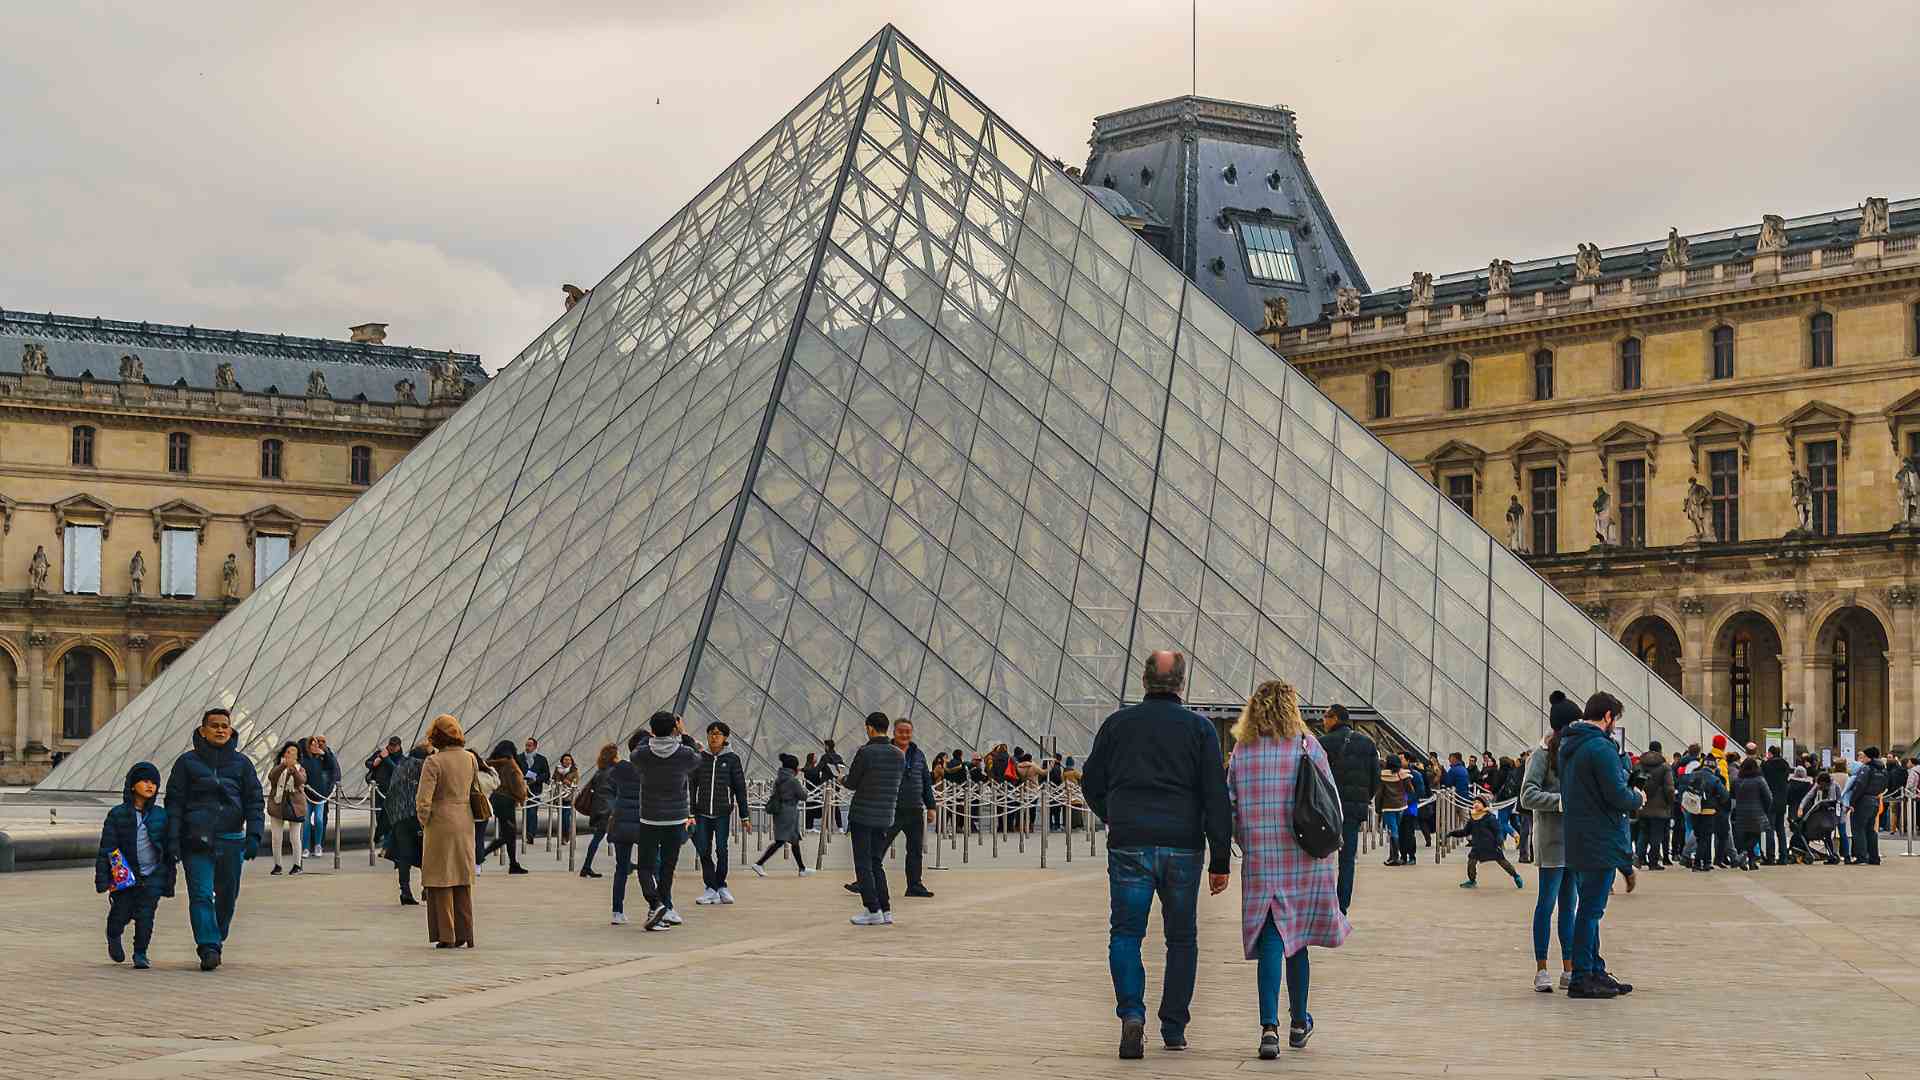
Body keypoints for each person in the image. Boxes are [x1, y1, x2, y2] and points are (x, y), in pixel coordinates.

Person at [1080, 650, 1232, 1060]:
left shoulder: (1117, 724)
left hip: (1130, 841)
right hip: (1183, 844)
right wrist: (1221, 859)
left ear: (1144, 681)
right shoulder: (1200, 730)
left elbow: (1091, 782)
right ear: (1181, 683)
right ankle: (1174, 1026)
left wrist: (1114, 815)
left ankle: (1132, 1014)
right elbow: (1216, 797)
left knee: (1126, 933)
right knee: (1182, 938)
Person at [1227, 679, 1349, 1060]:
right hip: (1303, 857)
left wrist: (1247, 841)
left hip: (1263, 859)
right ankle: (1299, 1021)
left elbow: (1230, 809)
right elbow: (1331, 804)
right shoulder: (1306, 746)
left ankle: (1268, 1029)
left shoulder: (1242, 752)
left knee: (1270, 938)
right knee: (1296, 939)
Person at [164, 708, 264, 972]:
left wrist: (254, 834)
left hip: (231, 838)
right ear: (202, 730)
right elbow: (174, 803)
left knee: (227, 897)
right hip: (195, 840)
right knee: (200, 895)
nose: (221, 730)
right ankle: (208, 946)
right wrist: (173, 839)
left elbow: (254, 801)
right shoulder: (186, 763)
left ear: (231, 731)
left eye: (225, 726)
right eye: (215, 725)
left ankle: (216, 935)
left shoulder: (243, 764)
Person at [1556, 691, 1642, 1000]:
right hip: (1600, 838)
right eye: (1614, 719)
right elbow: (1617, 795)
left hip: (1579, 837)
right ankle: (1582, 976)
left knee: (1589, 907)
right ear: (1607, 716)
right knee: (1591, 911)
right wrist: (1637, 798)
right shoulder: (1600, 748)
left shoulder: (1570, 745)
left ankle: (1594, 969)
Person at [614, 711, 701, 931]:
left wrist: (651, 736)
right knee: (667, 867)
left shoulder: (642, 755)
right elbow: (697, 756)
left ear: (652, 729)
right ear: (674, 728)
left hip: (650, 817)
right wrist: (683, 734)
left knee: (645, 865)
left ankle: (655, 903)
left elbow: (635, 750)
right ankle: (661, 907)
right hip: (676, 817)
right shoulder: (683, 754)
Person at [1521, 693, 1578, 992]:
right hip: (1552, 840)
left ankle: (1568, 968)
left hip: (1575, 840)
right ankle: (1541, 968)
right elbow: (1527, 795)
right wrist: (1560, 802)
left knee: (1569, 906)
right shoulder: (1541, 754)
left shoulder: (1579, 752)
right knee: (1547, 903)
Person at [96, 761, 175, 970]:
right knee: (120, 912)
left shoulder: (160, 814)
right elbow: (107, 847)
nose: (151, 786)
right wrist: (103, 878)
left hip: (153, 874)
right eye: (145, 781)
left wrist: (171, 864)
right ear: (132, 785)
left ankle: (140, 953)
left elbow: (168, 845)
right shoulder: (117, 814)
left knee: (146, 915)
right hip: (125, 875)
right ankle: (113, 933)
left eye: (154, 783)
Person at [415, 714, 480, 948]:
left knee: (440, 879)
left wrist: (424, 822)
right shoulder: (470, 758)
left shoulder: (434, 762)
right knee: (462, 879)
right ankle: (466, 933)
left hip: (441, 823)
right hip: (465, 821)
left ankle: (447, 935)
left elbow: (423, 801)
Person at [843, 711, 905, 926]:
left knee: (863, 863)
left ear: (869, 728)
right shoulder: (899, 754)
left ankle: (872, 909)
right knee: (876, 862)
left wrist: (841, 778)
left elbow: (852, 782)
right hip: (885, 815)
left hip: (863, 815)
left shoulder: (865, 752)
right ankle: (886, 910)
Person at [1316, 703, 1377, 915]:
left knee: (1321, 855)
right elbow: (1374, 779)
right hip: (1352, 810)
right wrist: (1362, 800)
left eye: (1325, 717)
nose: (1323, 721)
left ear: (1335, 719)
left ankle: (1322, 903)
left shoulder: (1322, 743)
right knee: (1347, 859)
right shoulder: (1367, 743)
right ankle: (1342, 906)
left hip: (1326, 809)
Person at [689, 721, 750, 906]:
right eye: (711, 733)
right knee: (703, 850)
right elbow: (691, 787)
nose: (714, 737)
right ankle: (711, 887)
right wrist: (690, 813)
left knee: (721, 850)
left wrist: (744, 816)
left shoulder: (732, 759)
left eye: (718, 734)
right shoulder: (699, 758)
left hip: (722, 812)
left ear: (725, 738)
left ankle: (721, 885)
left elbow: (740, 788)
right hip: (701, 813)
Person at [886, 717, 937, 898]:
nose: (905, 735)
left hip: (915, 809)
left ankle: (914, 885)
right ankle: (864, 881)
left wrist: (931, 806)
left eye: (908, 731)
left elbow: (925, 781)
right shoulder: (886, 751)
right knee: (878, 847)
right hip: (892, 808)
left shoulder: (918, 754)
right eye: (901, 731)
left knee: (915, 850)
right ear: (894, 732)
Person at [384, 740, 430, 905]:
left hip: (400, 818)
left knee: (404, 855)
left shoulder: (401, 766)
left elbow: (392, 792)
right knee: (427, 853)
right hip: (418, 817)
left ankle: (405, 891)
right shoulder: (424, 766)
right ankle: (428, 888)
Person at [752, 753, 813, 876]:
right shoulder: (793, 781)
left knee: (794, 840)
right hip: (789, 813)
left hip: (780, 811)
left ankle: (802, 868)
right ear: (794, 767)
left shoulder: (779, 779)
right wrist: (804, 789)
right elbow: (803, 796)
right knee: (780, 841)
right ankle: (759, 864)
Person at [478, 740, 531, 874]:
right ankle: (480, 856)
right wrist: (522, 796)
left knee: (508, 833)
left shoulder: (490, 763)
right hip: (507, 801)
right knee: (508, 833)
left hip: (495, 799)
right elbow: (517, 785)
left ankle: (513, 864)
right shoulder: (510, 764)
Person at [1449, 796, 1524, 889]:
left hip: (1491, 845)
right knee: (1471, 863)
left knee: (1503, 862)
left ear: (1484, 805)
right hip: (1478, 847)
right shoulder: (1473, 818)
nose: (1476, 804)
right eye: (1474, 802)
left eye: (1479, 802)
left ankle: (1516, 876)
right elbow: (1465, 832)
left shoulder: (1490, 817)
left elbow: (1498, 830)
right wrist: (1453, 833)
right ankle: (1472, 881)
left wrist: (1499, 840)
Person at [265, 742, 308, 876]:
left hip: (296, 806)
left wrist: (293, 771)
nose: (291, 755)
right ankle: (277, 865)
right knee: (276, 837)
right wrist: (283, 765)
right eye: (288, 752)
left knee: (295, 837)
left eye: (294, 752)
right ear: (284, 753)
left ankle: (297, 865)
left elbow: (301, 781)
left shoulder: (300, 769)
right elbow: (272, 777)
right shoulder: (278, 767)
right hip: (277, 805)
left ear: (298, 756)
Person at [578, 744, 616, 879]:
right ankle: (625, 864)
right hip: (610, 809)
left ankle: (586, 867)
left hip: (598, 808)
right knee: (618, 837)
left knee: (598, 837)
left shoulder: (599, 772)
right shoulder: (614, 771)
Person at [298, 734, 339, 857]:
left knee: (319, 820)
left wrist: (324, 753)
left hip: (320, 795)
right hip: (307, 795)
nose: (315, 746)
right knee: (305, 822)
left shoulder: (321, 758)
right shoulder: (303, 760)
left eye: (316, 744)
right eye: (313, 744)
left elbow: (332, 766)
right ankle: (305, 848)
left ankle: (318, 845)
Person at [1687, 753, 1728, 872]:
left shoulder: (1694, 775)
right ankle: (1698, 863)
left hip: (1694, 810)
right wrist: (1716, 801)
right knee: (1705, 838)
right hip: (1708, 811)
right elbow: (1725, 795)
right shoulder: (1714, 779)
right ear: (1714, 766)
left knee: (1700, 837)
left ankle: (1705, 862)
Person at [1731, 757, 1773, 871]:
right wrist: (1765, 809)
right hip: (1757, 812)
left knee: (1746, 837)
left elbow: (1733, 795)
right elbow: (1768, 797)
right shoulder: (1759, 780)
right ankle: (1744, 855)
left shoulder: (1737, 780)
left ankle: (1751, 861)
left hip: (1741, 813)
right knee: (1755, 836)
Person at [1635, 743, 1673, 869]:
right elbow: (1669, 788)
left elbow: (1635, 785)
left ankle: (1639, 859)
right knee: (1657, 835)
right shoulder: (1665, 767)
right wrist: (1669, 802)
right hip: (1660, 807)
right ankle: (1653, 862)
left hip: (1643, 805)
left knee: (1643, 833)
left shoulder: (1639, 766)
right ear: (1660, 751)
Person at [364, 735, 404, 849]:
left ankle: (387, 845)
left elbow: (398, 770)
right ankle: (386, 843)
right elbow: (367, 763)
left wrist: (386, 759)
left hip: (392, 792)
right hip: (378, 790)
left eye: (394, 746)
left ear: (399, 746)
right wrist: (375, 762)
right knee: (379, 816)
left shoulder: (401, 758)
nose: (391, 747)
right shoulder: (380, 753)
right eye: (390, 745)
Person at [1376, 755, 1412, 866]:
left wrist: (1378, 809)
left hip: (1388, 807)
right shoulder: (1403, 774)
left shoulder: (1383, 775)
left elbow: (1379, 795)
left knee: (1393, 831)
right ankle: (1394, 856)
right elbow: (1410, 789)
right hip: (1401, 806)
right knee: (1396, 829)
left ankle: (1394, 857)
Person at [1761, 746, 1790, 864]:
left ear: (1771, 754)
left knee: (1770, 829)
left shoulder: (1766, 765)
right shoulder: (1785, 765)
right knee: (1780, 829)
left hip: (1770, 800)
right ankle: (1783, 857)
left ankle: (1771, 857)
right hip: (1782, 800)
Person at [518, 736, 550, 843]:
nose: (527, 747)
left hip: (536, 789)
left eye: (530, 745)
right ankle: (527, 832)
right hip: (522, 788)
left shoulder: (541, 759)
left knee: (532, 811)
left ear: (535, 747)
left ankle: (530, 833)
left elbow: (546, 775)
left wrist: (536, 779)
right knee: (526, 811)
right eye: (526, 745)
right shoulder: (519, 758)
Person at [552, 752, 580, 842]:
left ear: (571, 761)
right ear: (562, 761)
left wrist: (570, 783)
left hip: (569, 796)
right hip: (559, 796)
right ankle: (562, 835)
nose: (567, 761)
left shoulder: (574, 770)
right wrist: (556, 782)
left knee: (566, 817)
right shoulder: (557, 769)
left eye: (569, 760)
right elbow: (553, 779)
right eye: (565, 759)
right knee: (561, 817)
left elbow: (576, 782)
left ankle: (565, 835)